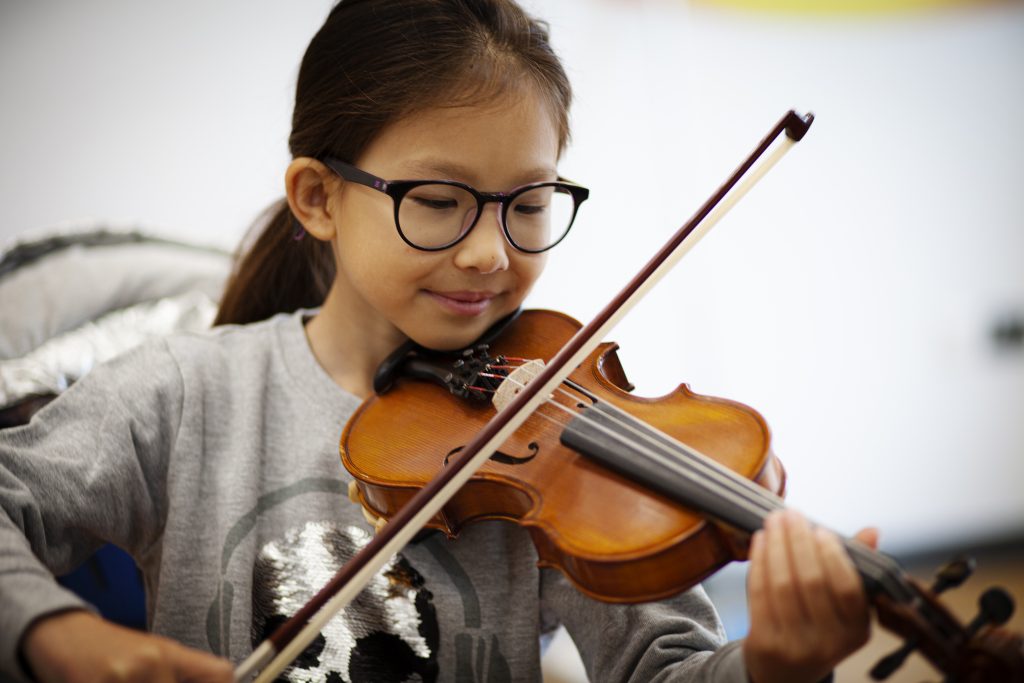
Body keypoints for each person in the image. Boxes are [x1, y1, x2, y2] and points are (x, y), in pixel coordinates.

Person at [0, 1, 879, 681]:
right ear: (318, 198)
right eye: (438, 200)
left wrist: (775, 663)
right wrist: (54, 631)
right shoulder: (186, 396)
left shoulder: (557, 434)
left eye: (529, 203)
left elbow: (665, 669)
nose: (491, 251)